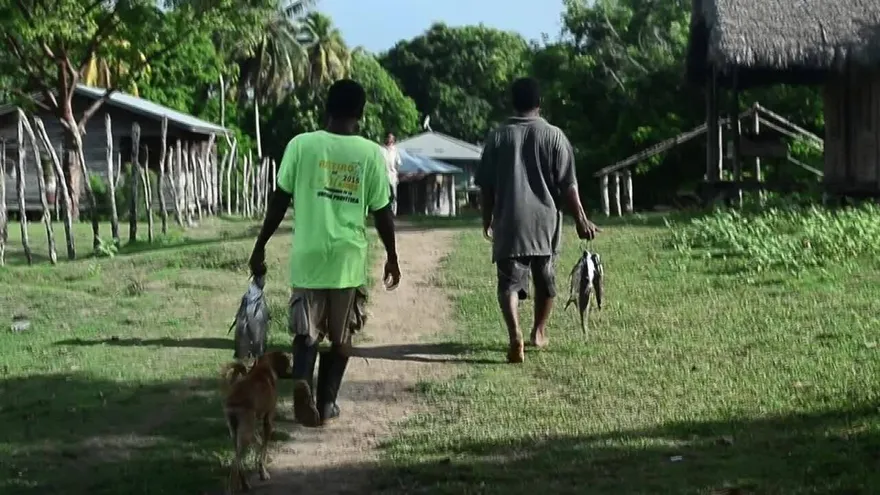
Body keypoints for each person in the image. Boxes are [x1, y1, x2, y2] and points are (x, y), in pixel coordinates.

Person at [248, 79, 401, 427]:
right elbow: (382, 212)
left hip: (308, 256)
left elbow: (278, 201)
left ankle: (303, 381)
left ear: (326, 108)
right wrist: (392, 256)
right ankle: (327, 401)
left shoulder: (301, 145)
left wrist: (260, 246)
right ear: (360, 114)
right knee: (342, 336)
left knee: (306, 332)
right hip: (347, 261)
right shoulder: (370, 154)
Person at [476, 77, 599, 364]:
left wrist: (487, 218)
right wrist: (581, 219)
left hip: (510, 220)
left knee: (509, 283)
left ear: (512, 103)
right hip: (545, 223)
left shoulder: (497, 137)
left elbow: (486, 186)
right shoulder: (555, 136)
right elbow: (568, 185)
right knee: (545, 280)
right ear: (539, 103)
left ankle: (514, 335)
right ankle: (538, 332)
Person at [381, 132, 401, 215]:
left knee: (393, 194)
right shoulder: (382, 149)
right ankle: (385, 211)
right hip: (384, 175)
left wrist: (397, 175)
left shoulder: (395, 151)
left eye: (391, 138)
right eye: (388, 137)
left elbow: (398, 163)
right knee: (385, 194)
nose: (389, 139)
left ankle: (393, 211)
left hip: (392, 175)